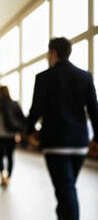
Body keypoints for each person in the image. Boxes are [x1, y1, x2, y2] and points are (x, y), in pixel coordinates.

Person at [26, 37, 98, 220]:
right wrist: (97, 138)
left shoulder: (43, 78)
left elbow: (36, 110)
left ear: (53, 53)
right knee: (66, 188)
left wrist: (28, 133)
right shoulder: (85, 76)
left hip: (55, 142)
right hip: (79, 143)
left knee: (65, 188)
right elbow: (94, 110)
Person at [0, 86, 25, 187]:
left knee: (0, 156)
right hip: (11, 135)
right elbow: (21, 118)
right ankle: (8, 177)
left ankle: (2, 176)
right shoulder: (14, 104)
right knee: (10, 156)